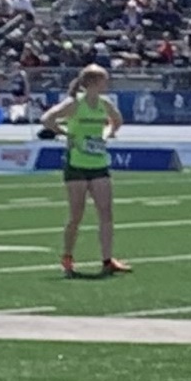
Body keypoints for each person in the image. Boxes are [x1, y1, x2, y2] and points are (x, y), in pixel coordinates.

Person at [41, 65, 133, 278]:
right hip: (77, 165)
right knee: (76, 215)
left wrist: (106, 133)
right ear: (92, 83)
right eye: (104, 81)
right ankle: (67, 257)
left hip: (99, 164)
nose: (107, 84)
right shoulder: (74, 104)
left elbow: (117, 121)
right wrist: (65, 133)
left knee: (106, 212)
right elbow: (47, 119)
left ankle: (108, 260)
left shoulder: (105, 103)